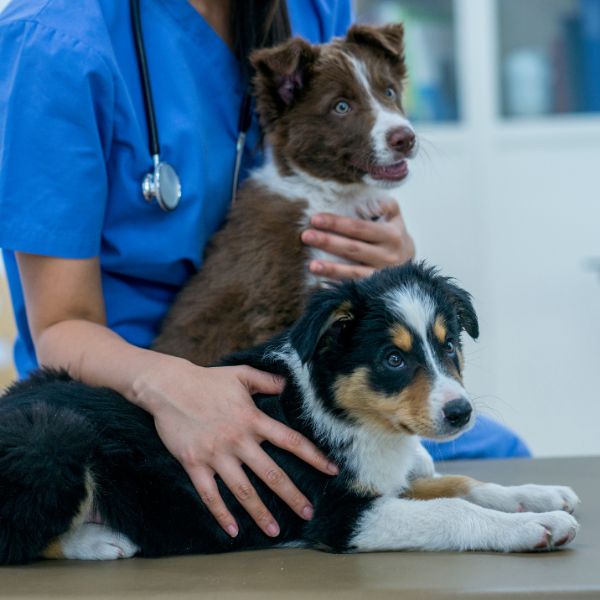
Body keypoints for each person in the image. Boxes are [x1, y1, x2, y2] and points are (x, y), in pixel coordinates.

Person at [0, 0, 529, 540]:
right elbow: (61, 328)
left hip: (299, 378)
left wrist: (390, 254)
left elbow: (334, 165)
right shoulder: (54, 41)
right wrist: (175, 387)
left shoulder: (310, 11)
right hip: (132, 402)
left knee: (507, 455)